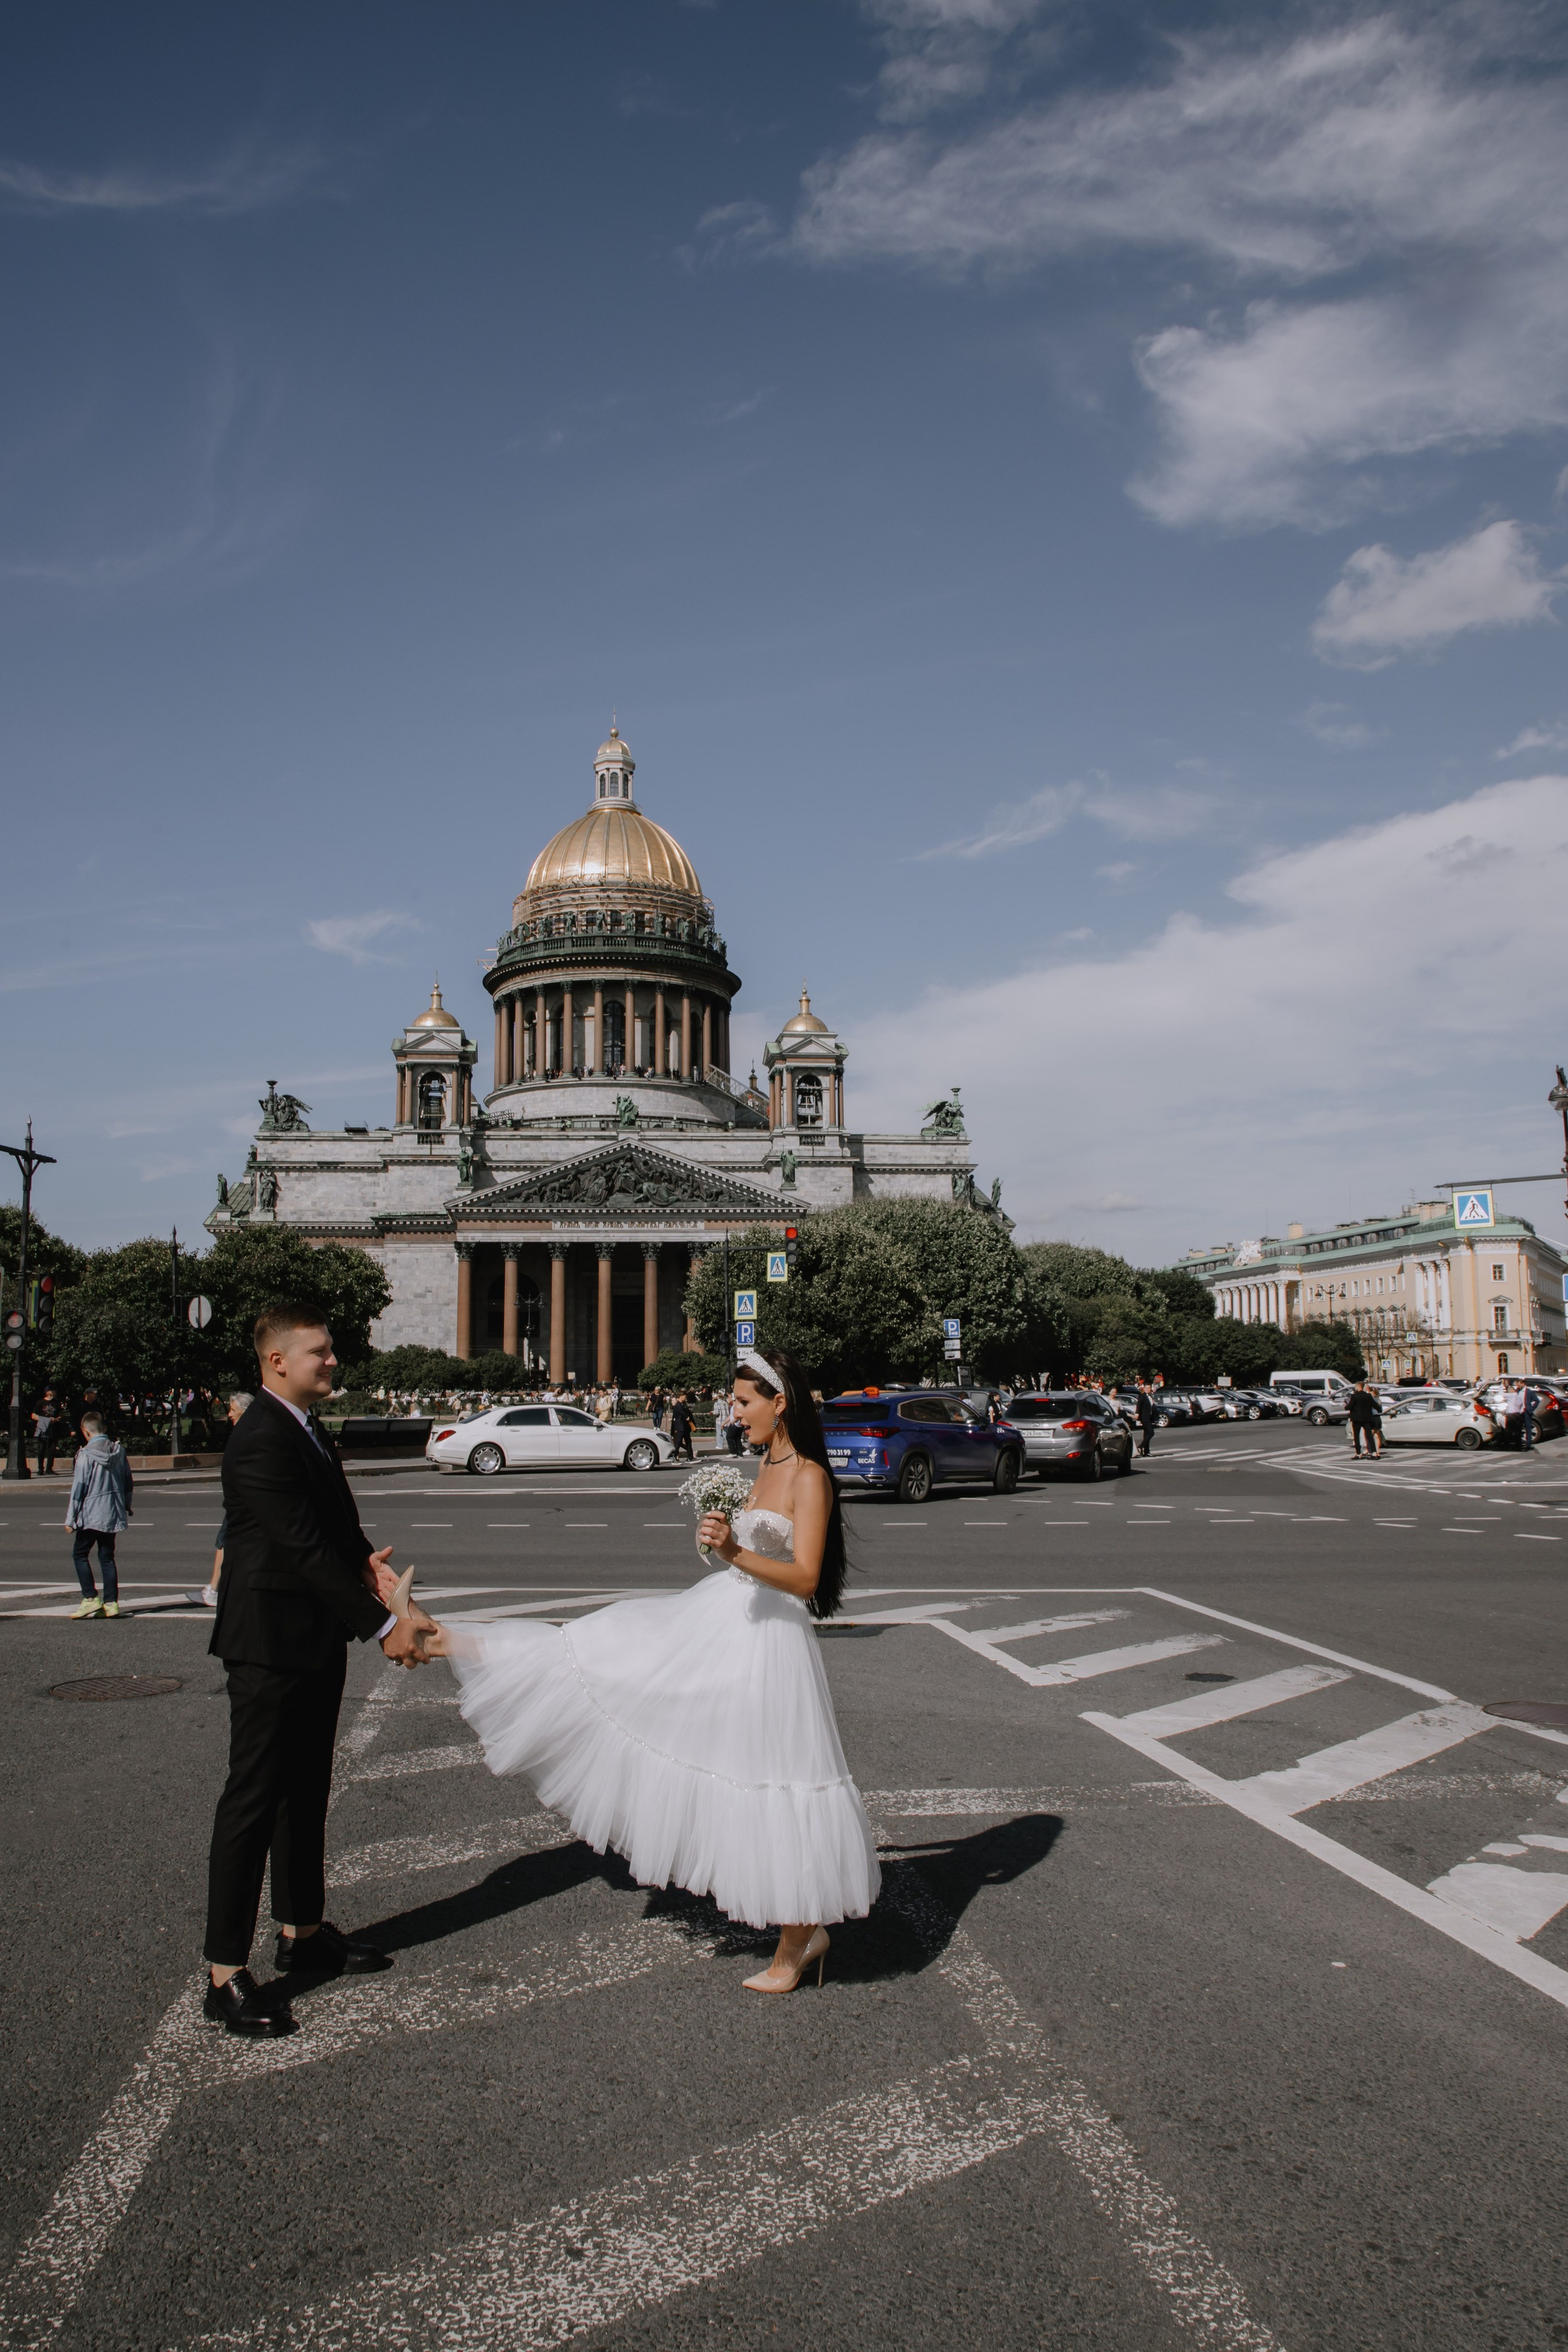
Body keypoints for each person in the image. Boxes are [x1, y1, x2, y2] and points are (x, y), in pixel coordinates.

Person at [413, 1343, 878, 1992]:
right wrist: (721, 1543)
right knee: (603, 1659)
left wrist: (736, 1551)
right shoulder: (766, 1465)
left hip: (769, 1642)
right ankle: (442, 1638)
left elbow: (803, 1577)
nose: (733, 1412)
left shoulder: (806, 1475)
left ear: (781, 1403)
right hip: (731, 1620)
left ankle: (799, 1939)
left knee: (775, 1774)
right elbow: (757, 1555)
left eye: (743, 1403)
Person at [202, 1302, 428, 2039]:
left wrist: (367, 1566)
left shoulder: (303, 1426)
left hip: (309, 1636)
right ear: (277, 1362)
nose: (333, 1361)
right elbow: (299, 1547)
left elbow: (331, 1527)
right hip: (267, 1643)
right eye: (320, 1353)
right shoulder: (261, 1436)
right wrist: (385, 1626)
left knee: (306, 1790)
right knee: (254, 1798)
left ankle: (301, 1929)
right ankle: (224, 1972)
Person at [190, 1393, 254, 1608]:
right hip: (245, 1501)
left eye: (233, 1410)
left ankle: (215, 1591)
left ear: (245, 1412)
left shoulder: (248, 1435)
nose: (229, 1414)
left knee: (224, 1543)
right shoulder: (251, 1432)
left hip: (243, 1502)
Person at [66, 1414, 134, 1619]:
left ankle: (90, 1598)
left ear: (86, 1432)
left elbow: (79, 1488)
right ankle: (111, 1603)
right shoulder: (118, 1451)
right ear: (103, 1428)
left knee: (80, 1554)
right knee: (107, 1557)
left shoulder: (85, 1454)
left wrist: (71, 1519)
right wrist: (126, 1506)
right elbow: (127, 1482)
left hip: (91, 1513)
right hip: (112, 1512)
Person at [1348, 1378, 1382, 1461]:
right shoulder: (1368, 1396)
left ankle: (1358, 1454)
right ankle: (1374, 1453)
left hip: (1357, 1419)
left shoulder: (1354, 1396)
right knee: (1370, 1436)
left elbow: (1349, 1406)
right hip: (1367, 1419)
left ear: (1358, 1387)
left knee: (1356, 1436)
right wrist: (1379, 1410)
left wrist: (1346, 1407)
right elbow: (1376, 1406)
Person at [32, 1389, 63, 1476]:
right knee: (42, 1448)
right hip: (43, 1428)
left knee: (52, 1449)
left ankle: (49, 1469)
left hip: (54, 1428)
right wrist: (45, 1420)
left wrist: (56, 1419)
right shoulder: (40, 1402)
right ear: (48, 1392)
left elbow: (61, 1415)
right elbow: (33, 1415)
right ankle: (40, 1469)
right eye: (54, 1391)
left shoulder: (57, 1403)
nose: (56, 1392)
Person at [668, 1390, 695, 1461]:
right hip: (680, 1428)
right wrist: (687, 1417)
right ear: (681, 1397)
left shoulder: (683, 1404)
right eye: (685, 1396)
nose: (686, 1398)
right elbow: (684, 1415)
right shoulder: (678, 1405)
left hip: (685, 1427)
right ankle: (674, 1458)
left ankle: (691, 1457)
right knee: (677, 1443)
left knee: (688, 1442)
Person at [1134, 1378, 1157, 1458]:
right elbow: (1139, 1405)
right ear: (1144, 1388)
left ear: (1151, 1389)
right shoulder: (1142, 1396)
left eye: (1149, 1388)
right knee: (1151, 1433)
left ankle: (1147, 1452)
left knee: (1147, 1434)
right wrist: (1137, 1414)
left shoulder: (1150, 1397)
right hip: (1144, 1418)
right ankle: (1140, 1447)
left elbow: (1152, 1407)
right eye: (1146, 1388)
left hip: (1149, 1418)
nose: (1147, 1389)